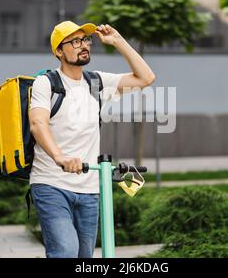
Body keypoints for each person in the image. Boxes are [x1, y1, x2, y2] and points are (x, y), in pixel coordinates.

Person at [28, 21, 155, 258]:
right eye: (74, 42)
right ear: (58, 51)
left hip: (89, 189)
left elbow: (146, 78)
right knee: (65, 251)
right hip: (51, 184)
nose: (83, 45)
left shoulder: (96, 82)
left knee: (84, 258)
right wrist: (60, 158)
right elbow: (38, 123)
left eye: (85, 40)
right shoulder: (45, 83)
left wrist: (118, 40)